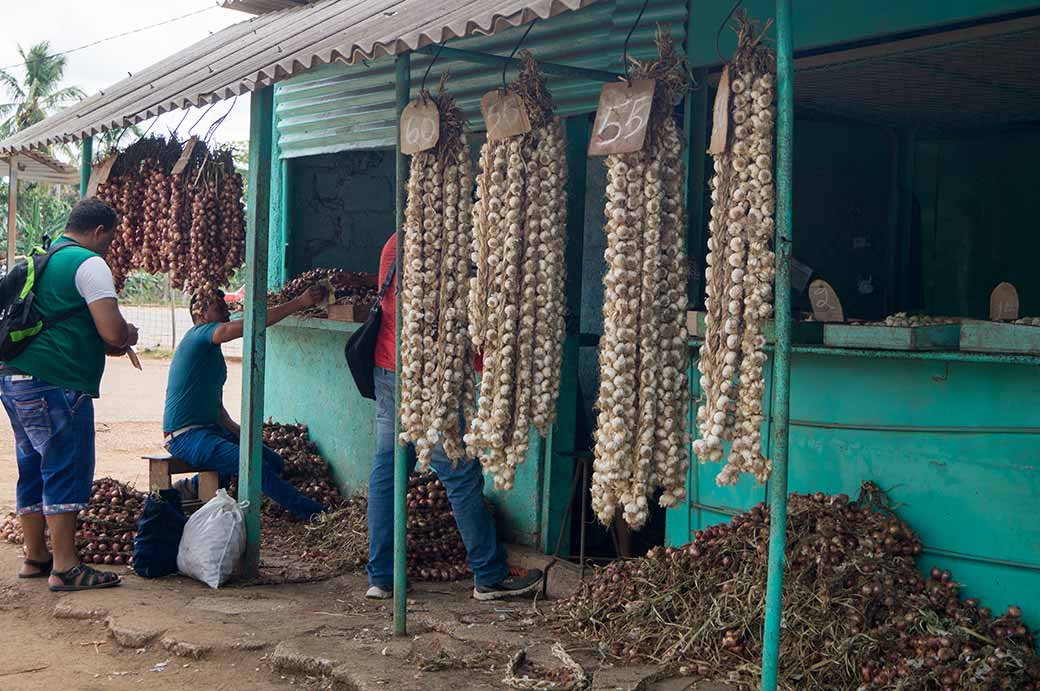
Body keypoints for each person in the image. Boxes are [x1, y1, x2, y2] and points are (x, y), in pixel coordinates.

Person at [367, 233, 543, 601]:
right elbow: (452, 322)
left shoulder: (392, 244)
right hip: (430, 376)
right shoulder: (446, 247)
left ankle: (381, 577)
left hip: (388, 369)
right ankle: (489, 575)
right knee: (459, 472)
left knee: (388, 470)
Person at [2, 198, 138, 591]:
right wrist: (127, 334)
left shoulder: (43, 257)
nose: (108, 249)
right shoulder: (89, 263)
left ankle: (35, 557)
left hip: (14, 378)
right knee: (64, 464)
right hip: (55, 383)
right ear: (98, 232)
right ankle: (66, 566)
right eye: (109, 241)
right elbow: (111, 332)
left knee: (32, 465)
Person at [163, 285, 328, 521]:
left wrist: (246, 437)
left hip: (210, 431)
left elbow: (218, 411)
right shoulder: (198, 334)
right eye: (219, 309)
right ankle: (315, 514)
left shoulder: (211, 353)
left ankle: (192, 486)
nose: (227, 314)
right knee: (252, 465)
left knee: (273, 461)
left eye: (226, 309)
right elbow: (248, 325)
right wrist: (299, 303)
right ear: (201, 315)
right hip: (185, 436)